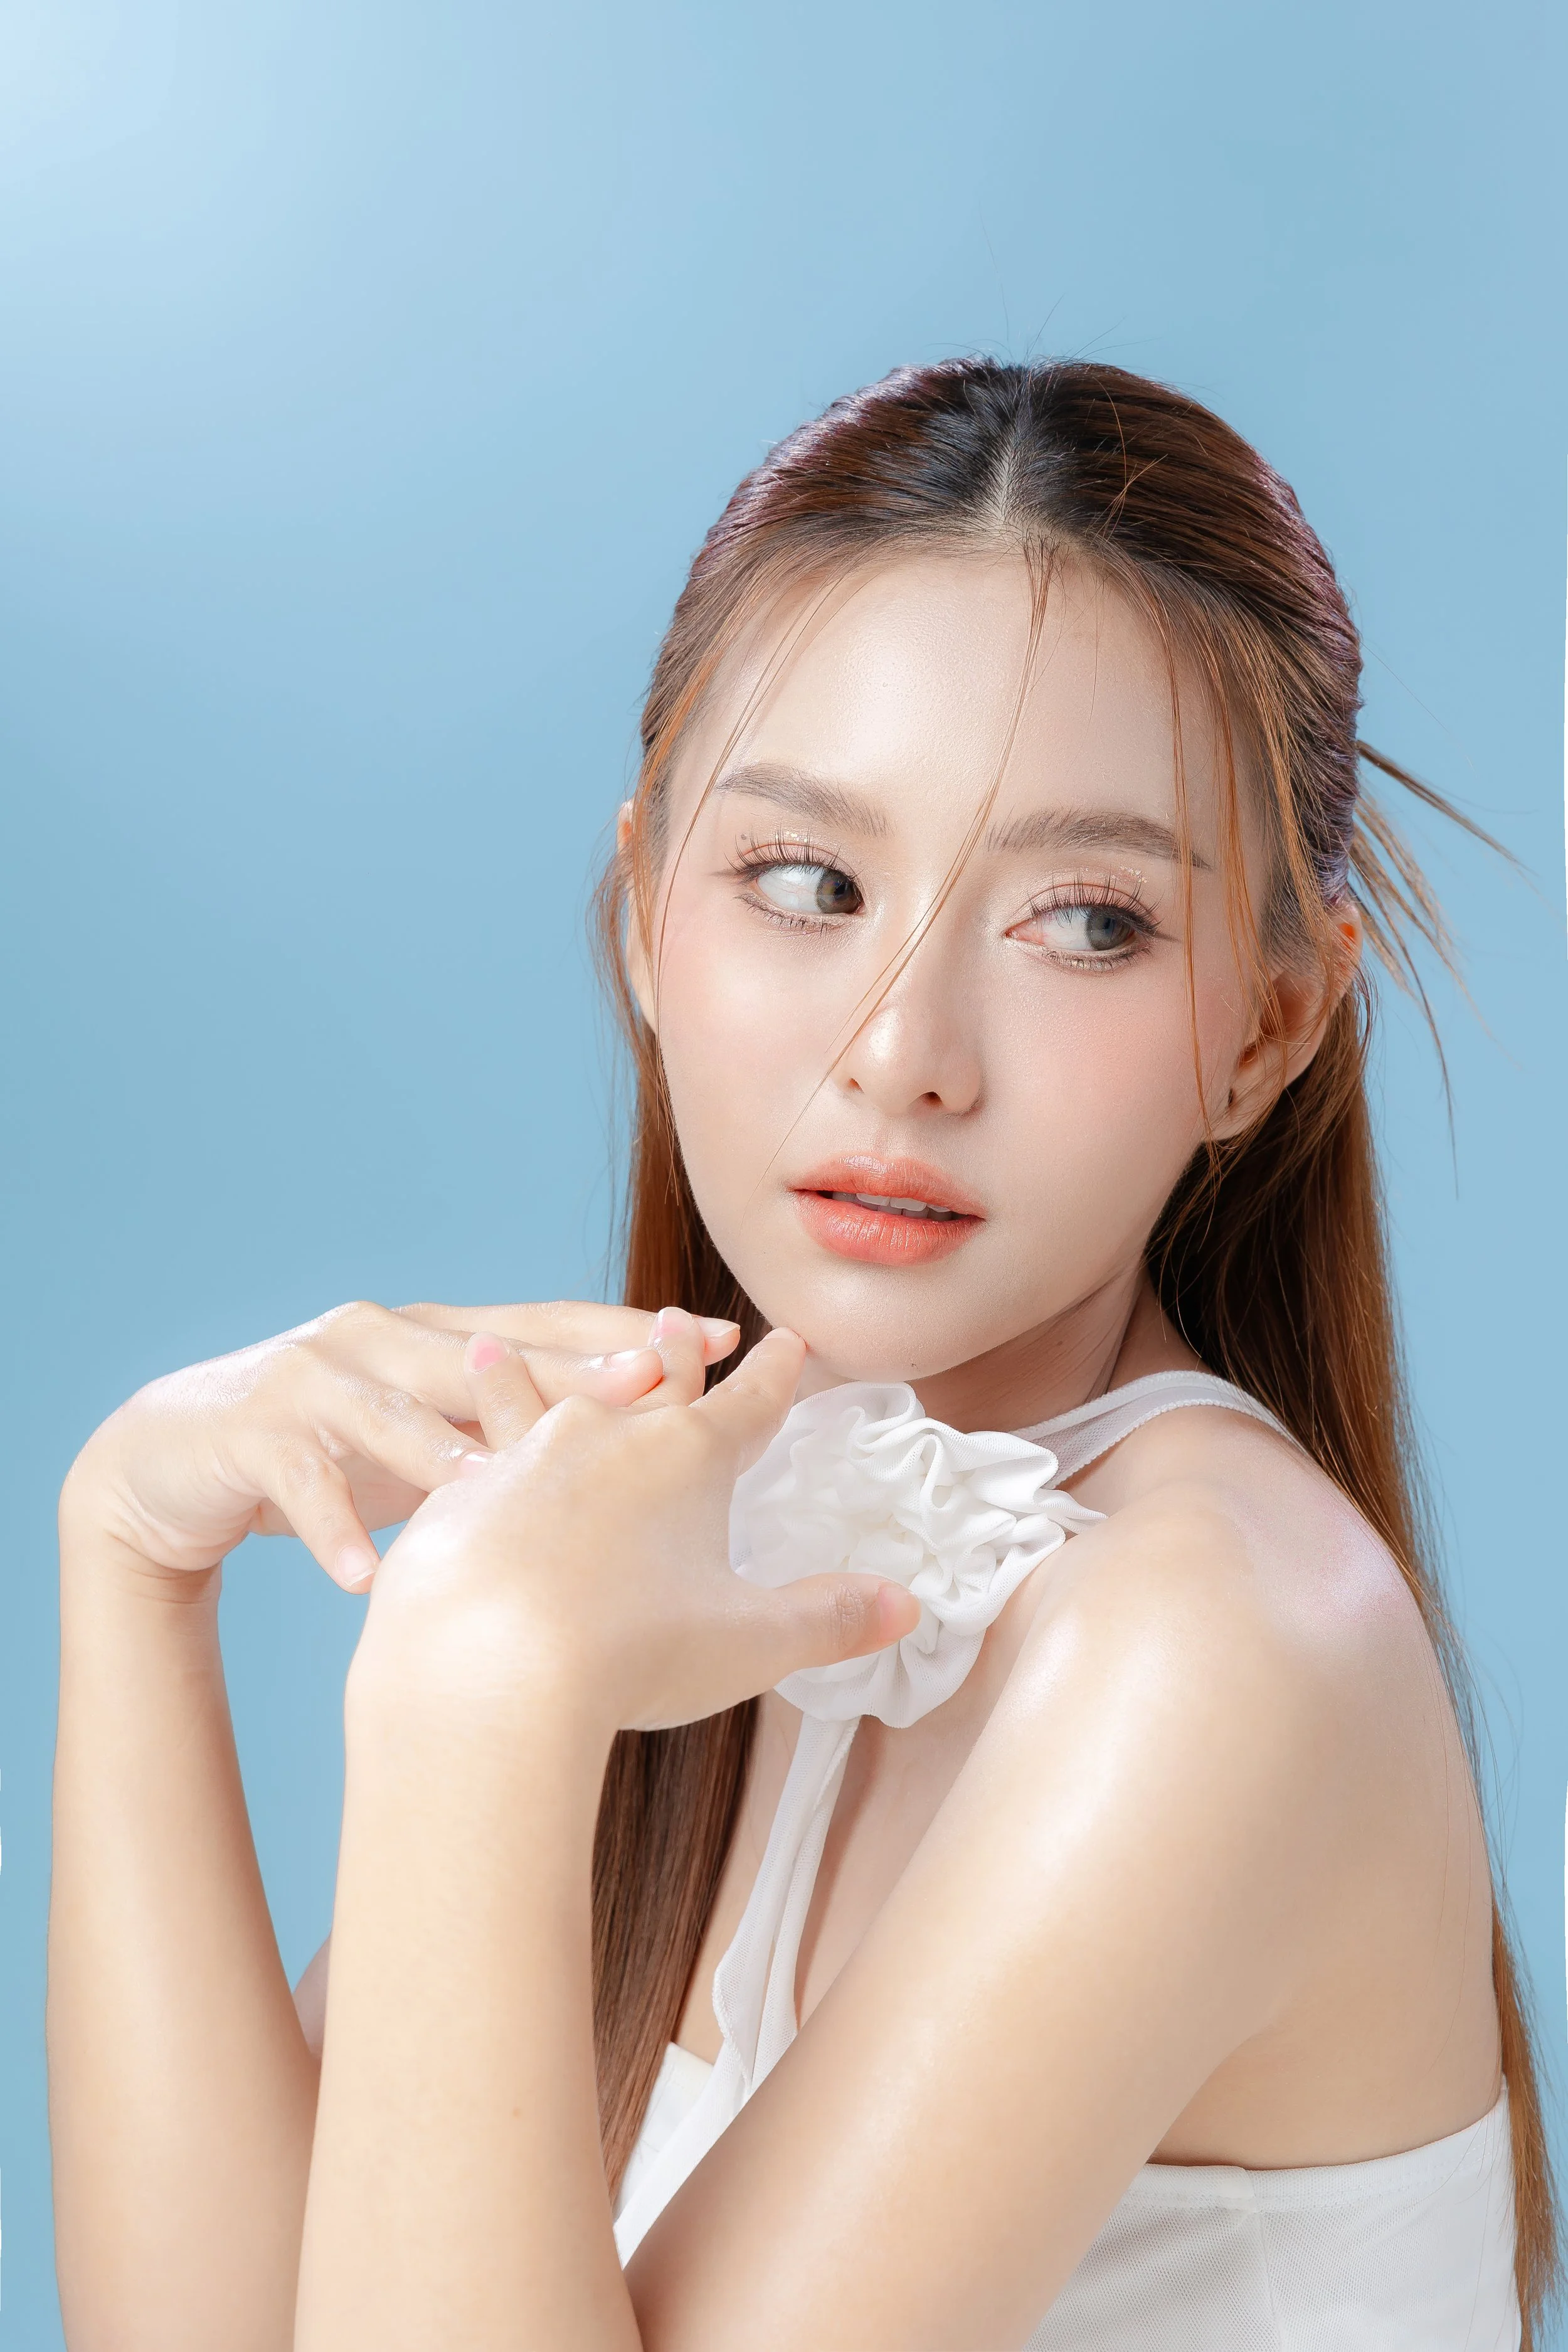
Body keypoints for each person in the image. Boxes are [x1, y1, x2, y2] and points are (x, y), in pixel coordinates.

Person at [49, 359, 1554, 2350]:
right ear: (644, 925)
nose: (902, 1050)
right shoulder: (675, 1525)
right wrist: (127, 1556)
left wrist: (470, 1699)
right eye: (806, 883)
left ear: (1268, 1028)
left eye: (1087, 920)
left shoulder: (1218, 1645)